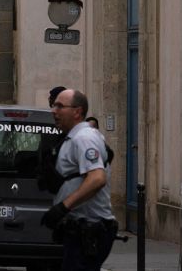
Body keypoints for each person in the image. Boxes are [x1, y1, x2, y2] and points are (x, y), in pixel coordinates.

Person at [41, 89, 117, 271]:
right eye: (54, 105)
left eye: (60, 106)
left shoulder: (84, 138)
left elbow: (97, 178)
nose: (54, 110)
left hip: (91, 229)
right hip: (79, 228)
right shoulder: (72, 138)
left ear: (77, 111)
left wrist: (63, 207)